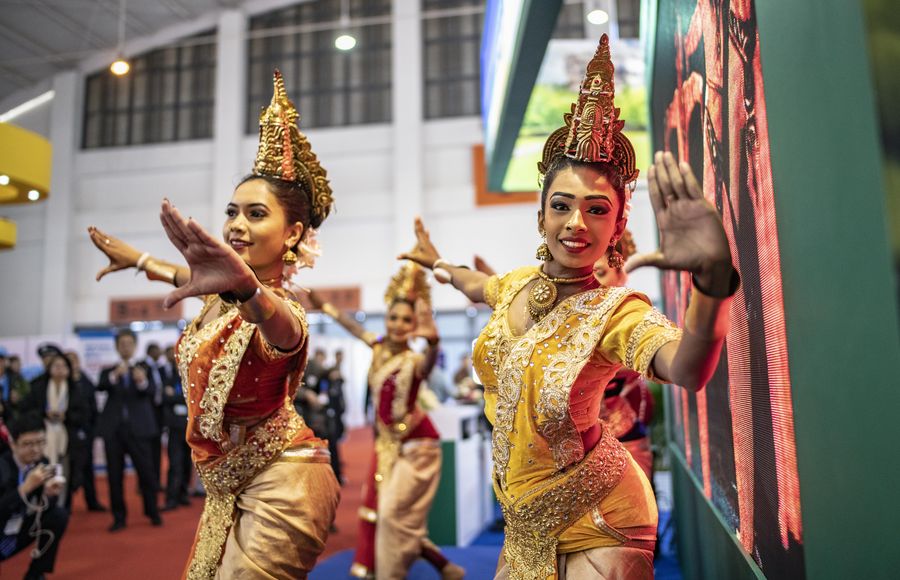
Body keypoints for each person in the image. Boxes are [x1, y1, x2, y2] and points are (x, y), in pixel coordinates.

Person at [399, 34, 738, 579]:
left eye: (597, 210)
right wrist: (437, 262)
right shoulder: (515, 285)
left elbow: (687, 367)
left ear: (617, 226)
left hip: (603, 515)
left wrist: (713, 282)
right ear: (541, 217)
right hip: (525, 522)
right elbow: (474, 283)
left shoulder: (615, 310)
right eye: (561, 206)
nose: (576, 223)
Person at [89, 70, 340, 578]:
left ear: (293, 233)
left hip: (284, 485)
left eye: (256, 214)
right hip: (227, 485)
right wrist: (141, 261)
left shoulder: (279, 307)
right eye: (232, 212)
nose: (237, 225)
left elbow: (281, 329)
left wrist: (248, 289)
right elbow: (195, 276)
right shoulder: (222, 294)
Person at [311, 263, 464, 580]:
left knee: (394, 513)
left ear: (414, 325)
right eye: (393, 317)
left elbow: (428, 363)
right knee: (383, 510)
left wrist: (433, 343)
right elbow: (352, 327)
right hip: (387, 444)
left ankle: (391, 573)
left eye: (406, 320)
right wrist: (324, 307)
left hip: (418, 447)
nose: (398, 324)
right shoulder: (378, 346)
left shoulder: (414, 360)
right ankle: (441, 566)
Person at [594, 230, 656, 480]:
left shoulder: (634, 316)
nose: (592, 283)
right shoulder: (566, 319)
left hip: (625, 439)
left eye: (600, 273)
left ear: (621, 274)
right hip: (576, 450)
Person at [96, 329, 162, 532]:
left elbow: (153, 392)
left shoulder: (145, 368)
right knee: (114, 476)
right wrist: (115, 375)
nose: (125, 347)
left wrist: (141, 381)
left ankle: (152, 511)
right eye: (121, 344)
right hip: (114, 431)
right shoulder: (109, 370)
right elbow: (101, 386)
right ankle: (118, 517)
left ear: (135, 346)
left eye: (129, 343)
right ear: (117, 347)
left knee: (147, 472)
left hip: (139, 429)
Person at [0, 412, 69, 580]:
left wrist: (48, 495)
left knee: (58, 515)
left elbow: (44, 507)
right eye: (28, 444)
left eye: (40, 442)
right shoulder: (2, 467)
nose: (36, 449)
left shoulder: (42, 462)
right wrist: (25, 488)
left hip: (16, 530)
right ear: (13, 444)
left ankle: (36, 574)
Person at [21, 353, 89, 509]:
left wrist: (67, 416)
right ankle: (39, 505)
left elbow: (84, 414)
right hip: (42, 439)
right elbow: (26, 410)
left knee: (64, 473)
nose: (60, 369)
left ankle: (62, 507)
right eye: (56, 366)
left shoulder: (75, 389)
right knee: (42, 471)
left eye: (64, 366)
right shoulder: (38, 387)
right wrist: (45, 414)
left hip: (67, 439)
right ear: (49, 368)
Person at [65, 350, 106, 512]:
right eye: (69, 360)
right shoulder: (62, 382)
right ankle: (66, 503)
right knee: (69, 469)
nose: (72, 363)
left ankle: (92, 501)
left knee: (88, 467)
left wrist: (94, 429)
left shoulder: (85, 380)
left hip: (86, 431)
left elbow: (93, 406)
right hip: (68, 432)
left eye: (74, 360)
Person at [160, 345, 191, 511]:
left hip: (190, 426)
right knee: (175, 462)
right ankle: (171, 497)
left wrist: (176, 396)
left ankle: (183, 493)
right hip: (174, 426)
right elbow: (166, 397)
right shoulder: (168, 376)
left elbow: (193, 397)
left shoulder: (192, 374)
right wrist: (180, 397)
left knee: (187, 462)